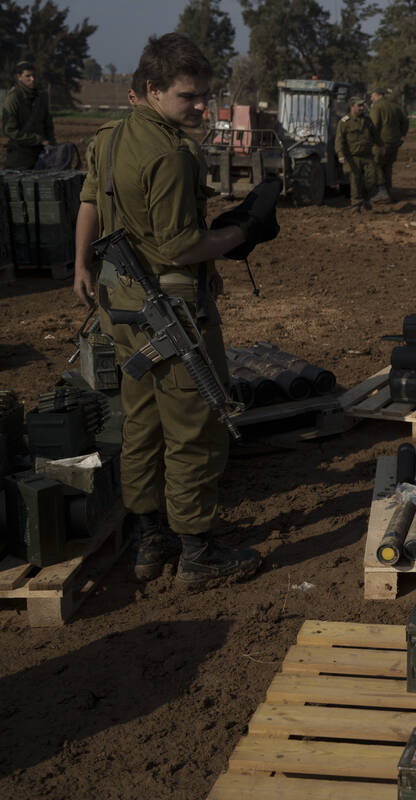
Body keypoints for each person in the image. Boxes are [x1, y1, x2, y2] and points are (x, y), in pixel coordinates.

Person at [73, 33, 275, 590]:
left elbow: (90, 200)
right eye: (188, 97)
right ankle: (198, 552)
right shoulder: (170, 152)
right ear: (152, 89)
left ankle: (150, 541)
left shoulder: (110, 137)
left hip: (122, 306)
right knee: (195, 428)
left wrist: (81, 267)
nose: (200, 108)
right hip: (171, 311)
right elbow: (180, 247)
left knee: (142, 425)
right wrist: (243, 230)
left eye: (204, 96)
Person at [2, 61, 54, 170]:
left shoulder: (41, 97)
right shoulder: (13, 98)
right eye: (28, 76)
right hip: (20, 154)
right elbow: (10, 130)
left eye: (34, 75)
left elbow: (48, 124)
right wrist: (37, 139)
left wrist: (51, 143)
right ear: (19, 77)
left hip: (41, 154)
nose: (32, 79)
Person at [336, 96, 382, 212]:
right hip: (352, 157)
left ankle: (365, 199)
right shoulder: (344, 122)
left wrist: (381, 146)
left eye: (362, 105)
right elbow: (339, 140)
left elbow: (375, 135)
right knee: (355, 180)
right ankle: (356, 204)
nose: (362, 108)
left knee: (372, 179)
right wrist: (340, 154)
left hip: (367, 156)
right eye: (359, 106)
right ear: (352, 107)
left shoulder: (367, 120)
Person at [368, 87, 408, 199]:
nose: (371, 98)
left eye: (372, 95)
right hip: (394, 142)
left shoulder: (377, 107)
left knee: (376, 164)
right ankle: (388, 190)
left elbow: (374, 124)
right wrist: (401, 135)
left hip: (381, 142)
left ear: (377, 95)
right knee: (388, 165)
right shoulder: (395, 106)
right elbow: (405, 122)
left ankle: (381, 190)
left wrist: (369, 139)